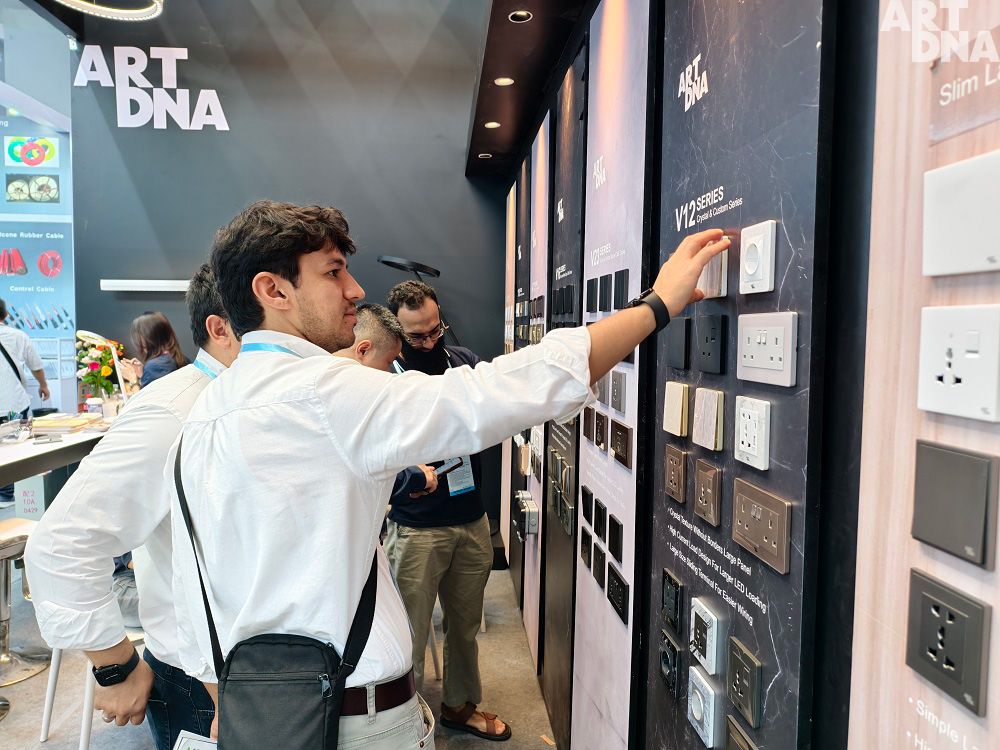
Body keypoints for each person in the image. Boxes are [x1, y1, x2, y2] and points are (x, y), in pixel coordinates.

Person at [166, 199, 727, 747]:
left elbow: (190, 583)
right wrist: (656, 307)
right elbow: (492, 394)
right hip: (357, 721)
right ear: (273, 290)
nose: (355, 290)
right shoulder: (322, 394)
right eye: (333, 272)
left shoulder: (202, 416)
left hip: (263, 716)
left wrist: (224, 701)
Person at [25, 264, 240, 750]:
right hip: (200, 681)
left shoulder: (233, 401)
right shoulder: (176, 410)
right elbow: (62, 544)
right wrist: (116, 667)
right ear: (223, 326)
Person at [382, 279, 508, 740]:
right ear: (397, 331)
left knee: (465, 627)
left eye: (436, 330)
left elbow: (491, 415)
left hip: (471, 520)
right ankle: (405, 725)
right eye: (417, 336)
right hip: (417, 529)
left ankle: (459, 706)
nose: (430, 342)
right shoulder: (384, 375)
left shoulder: (463, 361)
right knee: (409, 636)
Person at [334, 304, 439, 501]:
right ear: (364, 350)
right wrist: (414, 477)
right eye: (389, 362)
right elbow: (358, 469)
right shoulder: (339, 399)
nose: (388, 372)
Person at [0, 297, 50, 502]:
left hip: (14, 401)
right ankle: (7, 494)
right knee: (15, 448)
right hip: (15, 403)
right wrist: (43, 385)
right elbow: (35, 365)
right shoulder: (18, 336)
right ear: (5, 314)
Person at [128, 311, 188, 386]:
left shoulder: (155, 366)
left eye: (140, 334)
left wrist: (132, 379)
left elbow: (148, 394)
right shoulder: (181, 359)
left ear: (148, 336)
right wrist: (144, 375)